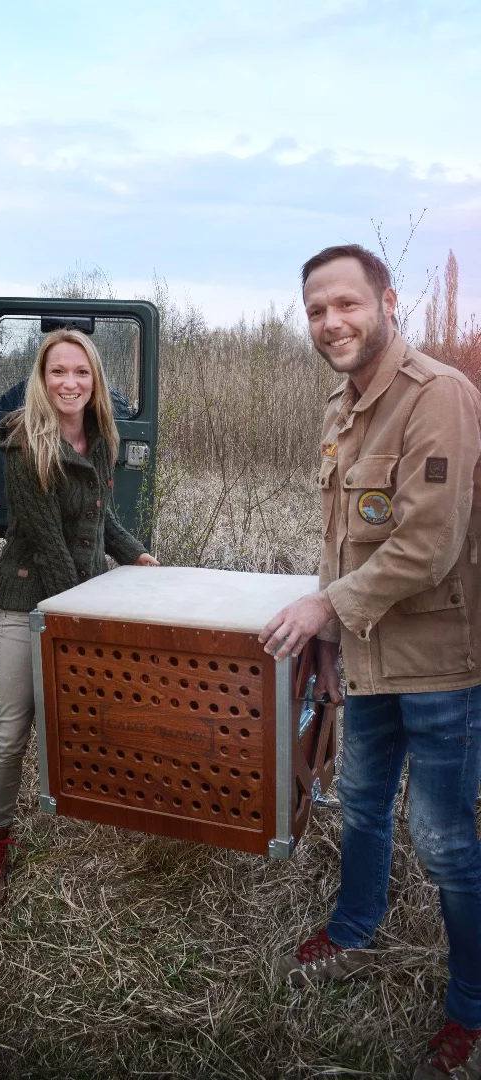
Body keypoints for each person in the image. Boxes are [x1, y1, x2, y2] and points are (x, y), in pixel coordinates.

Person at [259, 244, 481, 1080]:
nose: (331, 323)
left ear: (388, 302)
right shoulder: (340, 409)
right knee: (358, 801)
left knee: (443, 837)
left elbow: (430, 544)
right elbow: (338, 543)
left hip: (441, 665)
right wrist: (328, 640)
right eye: (317, 310)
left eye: (346, 304)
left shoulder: (441, 396)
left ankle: (471, 1008)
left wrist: (325, 608)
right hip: (366, 656)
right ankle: (354, 926)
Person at [0, 327, 159, 909]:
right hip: (29, 599)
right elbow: (48, 541)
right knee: (12, 729)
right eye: (58, 372)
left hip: (81, 595)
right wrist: (81, 618)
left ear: (94, 380)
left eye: (80, 372)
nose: (70, 383)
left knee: (87, 716)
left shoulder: (101, 438)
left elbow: (99, 522)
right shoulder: (25, 443)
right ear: (42, 378)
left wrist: (137, 554)